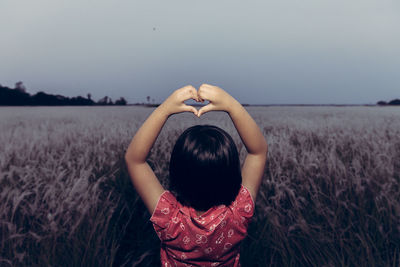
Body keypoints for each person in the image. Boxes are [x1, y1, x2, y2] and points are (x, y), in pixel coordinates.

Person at [125, 84, 268, 266]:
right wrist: (232, 106)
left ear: (176, 177)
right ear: (232, 176)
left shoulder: (170, 219)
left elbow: (134, 160)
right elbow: (258, 152)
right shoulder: (238, 214)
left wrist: (165, 109)